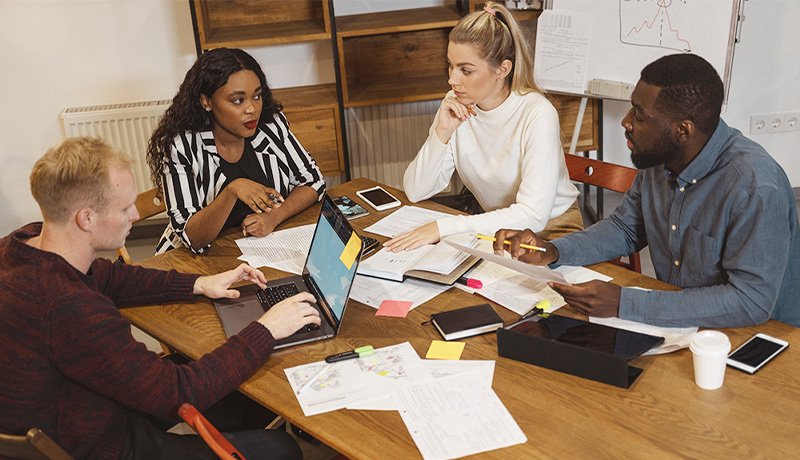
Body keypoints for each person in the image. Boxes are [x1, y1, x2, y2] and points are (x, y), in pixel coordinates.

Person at [0, 137, 322, 459]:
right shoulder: (69, 308)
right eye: (125, 207)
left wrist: (200, 283)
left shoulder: (23, 244)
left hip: (83, 404)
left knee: (245, 396)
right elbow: (178, 392)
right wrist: (266, 328)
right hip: (100, 443)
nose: (136, 213)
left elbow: (110, 277)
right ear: (86, 219)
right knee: (280, 449)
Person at [494, 54, 800, 328]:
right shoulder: (660, 159)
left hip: (757, 337)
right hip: (678, 322)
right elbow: (625, 229)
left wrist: (623, 303)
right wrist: (554, 251)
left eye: (639, 116)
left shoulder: (756, 187)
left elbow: (750, 301)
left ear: (683, 130)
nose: (626, 122)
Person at [385, 1, 581, 252]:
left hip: (553, 232)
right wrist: (442, 133)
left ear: (502, 69)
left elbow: (533, 214)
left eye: (466, 70)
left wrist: (443, 227)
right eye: (450, 65)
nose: (452, 79)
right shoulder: (456, 105)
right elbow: (415, 190)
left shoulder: (537, 113)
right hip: (497, 230)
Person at [147, 48, 325, 255]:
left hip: (261, 249)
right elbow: (191, 237)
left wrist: (274, 217)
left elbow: (312, 180)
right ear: (207, 101)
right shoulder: (182, 146)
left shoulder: (270, 125)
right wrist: (232, 190)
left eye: (257, 96)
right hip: (196, 260)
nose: (252, 109)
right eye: (238, 100)